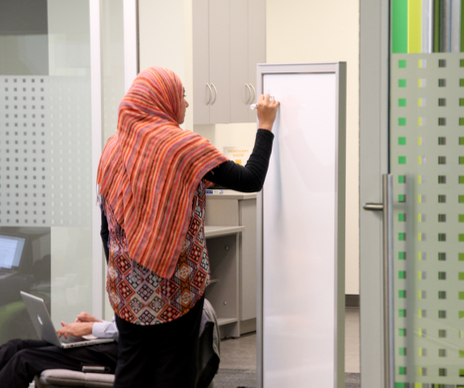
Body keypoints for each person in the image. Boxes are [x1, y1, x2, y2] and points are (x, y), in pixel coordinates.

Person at [97, 66, 279, 387]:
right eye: (182, 95)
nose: (186, 103)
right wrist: (265, 125)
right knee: (174, 374)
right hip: (176, 290)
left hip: (125, 289)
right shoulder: (185, 148)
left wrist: (126, 273)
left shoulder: (114, 147)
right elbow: (251, 179)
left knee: (131, 372)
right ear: (163, 99)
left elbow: (106, 226)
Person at [0, 312, 118, 387]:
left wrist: (92, 327)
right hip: (116, 342)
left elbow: (133, 332)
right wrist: (98, 323)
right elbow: (122, 326)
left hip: (123, 353)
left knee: (24, 359)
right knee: (15, 346)